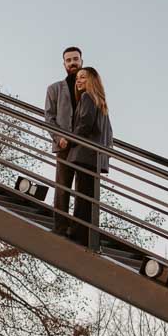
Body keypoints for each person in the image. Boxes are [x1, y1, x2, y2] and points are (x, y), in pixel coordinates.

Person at [65, 66, 113, 245]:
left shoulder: (87, 97)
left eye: (83, 77)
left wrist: (71, 139)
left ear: (92, 80)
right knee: (89, 197)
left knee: (82, 195)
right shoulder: (101, 103)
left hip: (84, 154)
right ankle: (88, 234)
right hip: (96, 157)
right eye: (77, 78)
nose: (78, 80)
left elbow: (85, 122)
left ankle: (78, 232)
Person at [46, 46, 84, 234]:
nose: (72, 63)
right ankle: (60, 226)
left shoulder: (89, 88)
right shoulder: (54, 89)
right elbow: (49, 117)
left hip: (85, 146)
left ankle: (78, 229)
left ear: (81, 61)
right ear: (64, 64)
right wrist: (59, 137)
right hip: (64, 146)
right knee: (62, 187)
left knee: (83, 190)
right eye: (68, 60)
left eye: (75, 59)